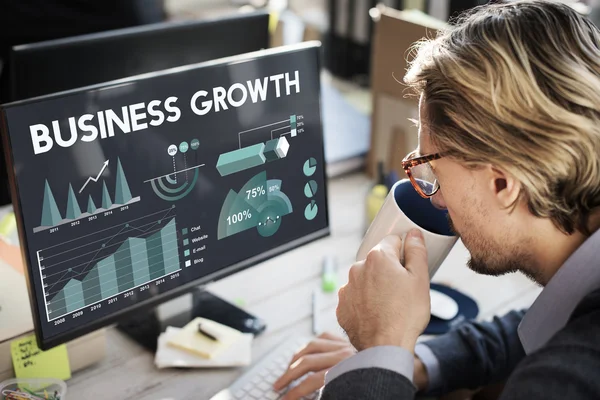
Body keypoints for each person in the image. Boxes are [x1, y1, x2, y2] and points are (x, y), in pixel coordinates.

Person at [273, 0, 600, 399]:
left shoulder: (568, 382)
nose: (437, 199)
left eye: (432, 170)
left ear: (503, 185)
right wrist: (409, 362)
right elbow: (538, 327)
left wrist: (380, 347)